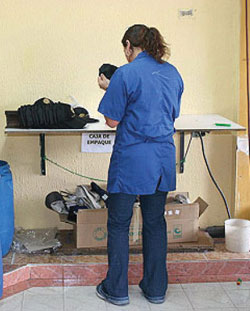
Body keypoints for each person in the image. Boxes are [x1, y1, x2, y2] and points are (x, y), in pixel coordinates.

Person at [96, 24, 184, 306]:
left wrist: (110, 87)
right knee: (156, 223)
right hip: (161, 159)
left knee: (120, 224)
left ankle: (117, 290)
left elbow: (112, 120)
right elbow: (170, 111)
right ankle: (156, 288)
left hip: (132, 159)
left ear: (128, 46)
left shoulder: (125, 73)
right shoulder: (172, 73)